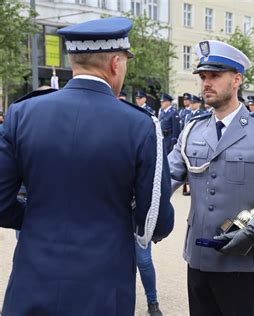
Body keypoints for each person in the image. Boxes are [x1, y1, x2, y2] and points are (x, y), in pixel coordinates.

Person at [0, 17, 174, 315]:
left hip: (33, 278)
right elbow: (155, 221)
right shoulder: (141, 125)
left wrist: (41, 218)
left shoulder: (21, 113)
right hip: (104, 284)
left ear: (72, 60)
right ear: (116, 63)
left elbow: (2, 204)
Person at [168, 40, 254, 316]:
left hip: (242, 259)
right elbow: (164, 178)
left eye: (215, 76)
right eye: (203, 77)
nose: (206, 83)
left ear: (237, 79)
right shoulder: (193, 129)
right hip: (199, 257)